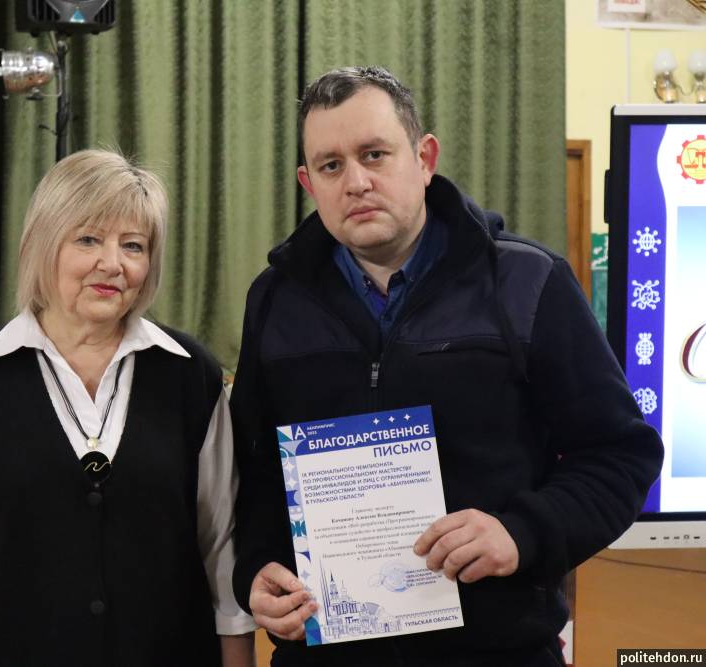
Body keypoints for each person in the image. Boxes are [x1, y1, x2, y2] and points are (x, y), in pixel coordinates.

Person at [230, 66, 663, 667]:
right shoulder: (274, 300)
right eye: (330, 166)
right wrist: (256, 570)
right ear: (309, 183)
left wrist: (522, 533)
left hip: (499, 653)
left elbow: (620, 456)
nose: (356, 182)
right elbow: (253, 475)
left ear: (424, 158)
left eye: (374, 154)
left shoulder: (528, 282)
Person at [0, 149, 256, 666]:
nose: (113, 264)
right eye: (88, 239)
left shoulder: (193, 376)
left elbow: (222, 552)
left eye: (134, 245)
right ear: (43, 244)